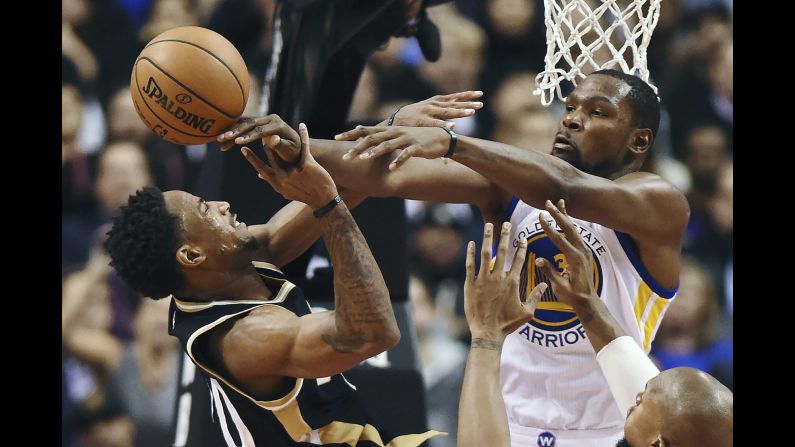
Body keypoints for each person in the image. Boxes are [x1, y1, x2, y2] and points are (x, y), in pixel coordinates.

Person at [217, 70, 690, 446]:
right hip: (504, 427)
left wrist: (453, 143)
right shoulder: (513, 186)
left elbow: (564, 187)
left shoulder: (658, 203)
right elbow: (387, 176)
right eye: (569, 107)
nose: (570, 119)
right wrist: (297, 147)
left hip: (610, 433)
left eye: (597, 112)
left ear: (640, 142)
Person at [105, 124, 442, 446]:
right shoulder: (248, 338)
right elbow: (373, 333)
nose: (223, 205)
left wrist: (393, 130)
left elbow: (345, 188)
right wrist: (327, 204)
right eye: (205, 208)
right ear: (192, 255)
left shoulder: (220, 270)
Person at [454, 202, 732, 447]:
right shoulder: (667, 428)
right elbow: (625, 361)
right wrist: (585, 301)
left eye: (640, 402)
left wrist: (485, 337)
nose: (633, 399)